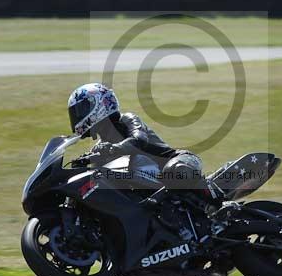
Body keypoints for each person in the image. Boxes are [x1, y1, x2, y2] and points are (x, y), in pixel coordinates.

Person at [67, 83, 220, 202]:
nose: (77, 116)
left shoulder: (127, 119)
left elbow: (139, 139)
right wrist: (81, 164)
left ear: (100, 103)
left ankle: (217, 199)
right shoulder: (101, 146)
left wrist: (113, 149)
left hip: (178, 160)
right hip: (151, 187)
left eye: (81, 109)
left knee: (175, 170)